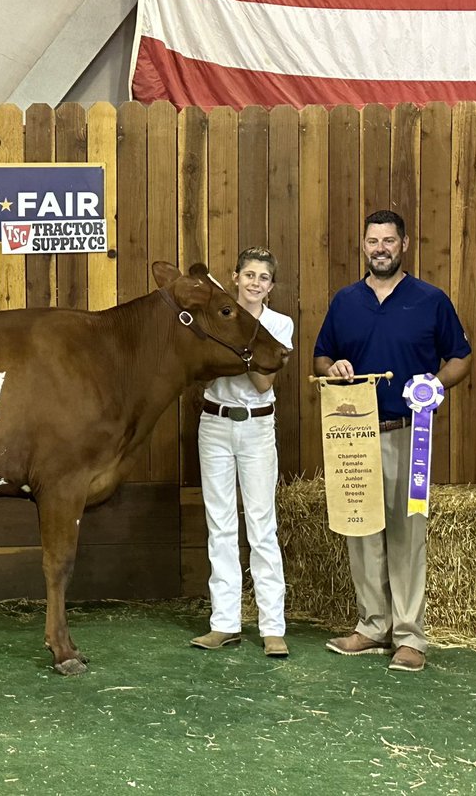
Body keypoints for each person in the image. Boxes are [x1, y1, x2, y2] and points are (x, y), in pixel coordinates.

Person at [313, 209, 472, 672]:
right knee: (360, 529)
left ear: (404, 244)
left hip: (410, 431)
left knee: (407, 533)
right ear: (363, 246)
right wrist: (333, 369)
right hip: (354, 434)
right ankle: (371, 624)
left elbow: (460, 358)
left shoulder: (430, 299)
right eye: (372, 241)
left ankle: (410, 636)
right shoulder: (345, 301)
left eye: (388, 240)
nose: (379, 248)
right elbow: (322, 355)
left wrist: (434, 388)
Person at [191, 247, 294, 658]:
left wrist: (239, 344)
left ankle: (272, 627)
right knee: (220, 524)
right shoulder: (218, 318)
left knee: (261, 525)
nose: (255, 283)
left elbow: (263, 382)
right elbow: (202, 365)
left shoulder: (278, 324)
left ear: (271, 286)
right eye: (248, 275)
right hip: (214, 422)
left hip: (256, 425)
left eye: (263, 278)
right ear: (234, 278)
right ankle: (225, 623)